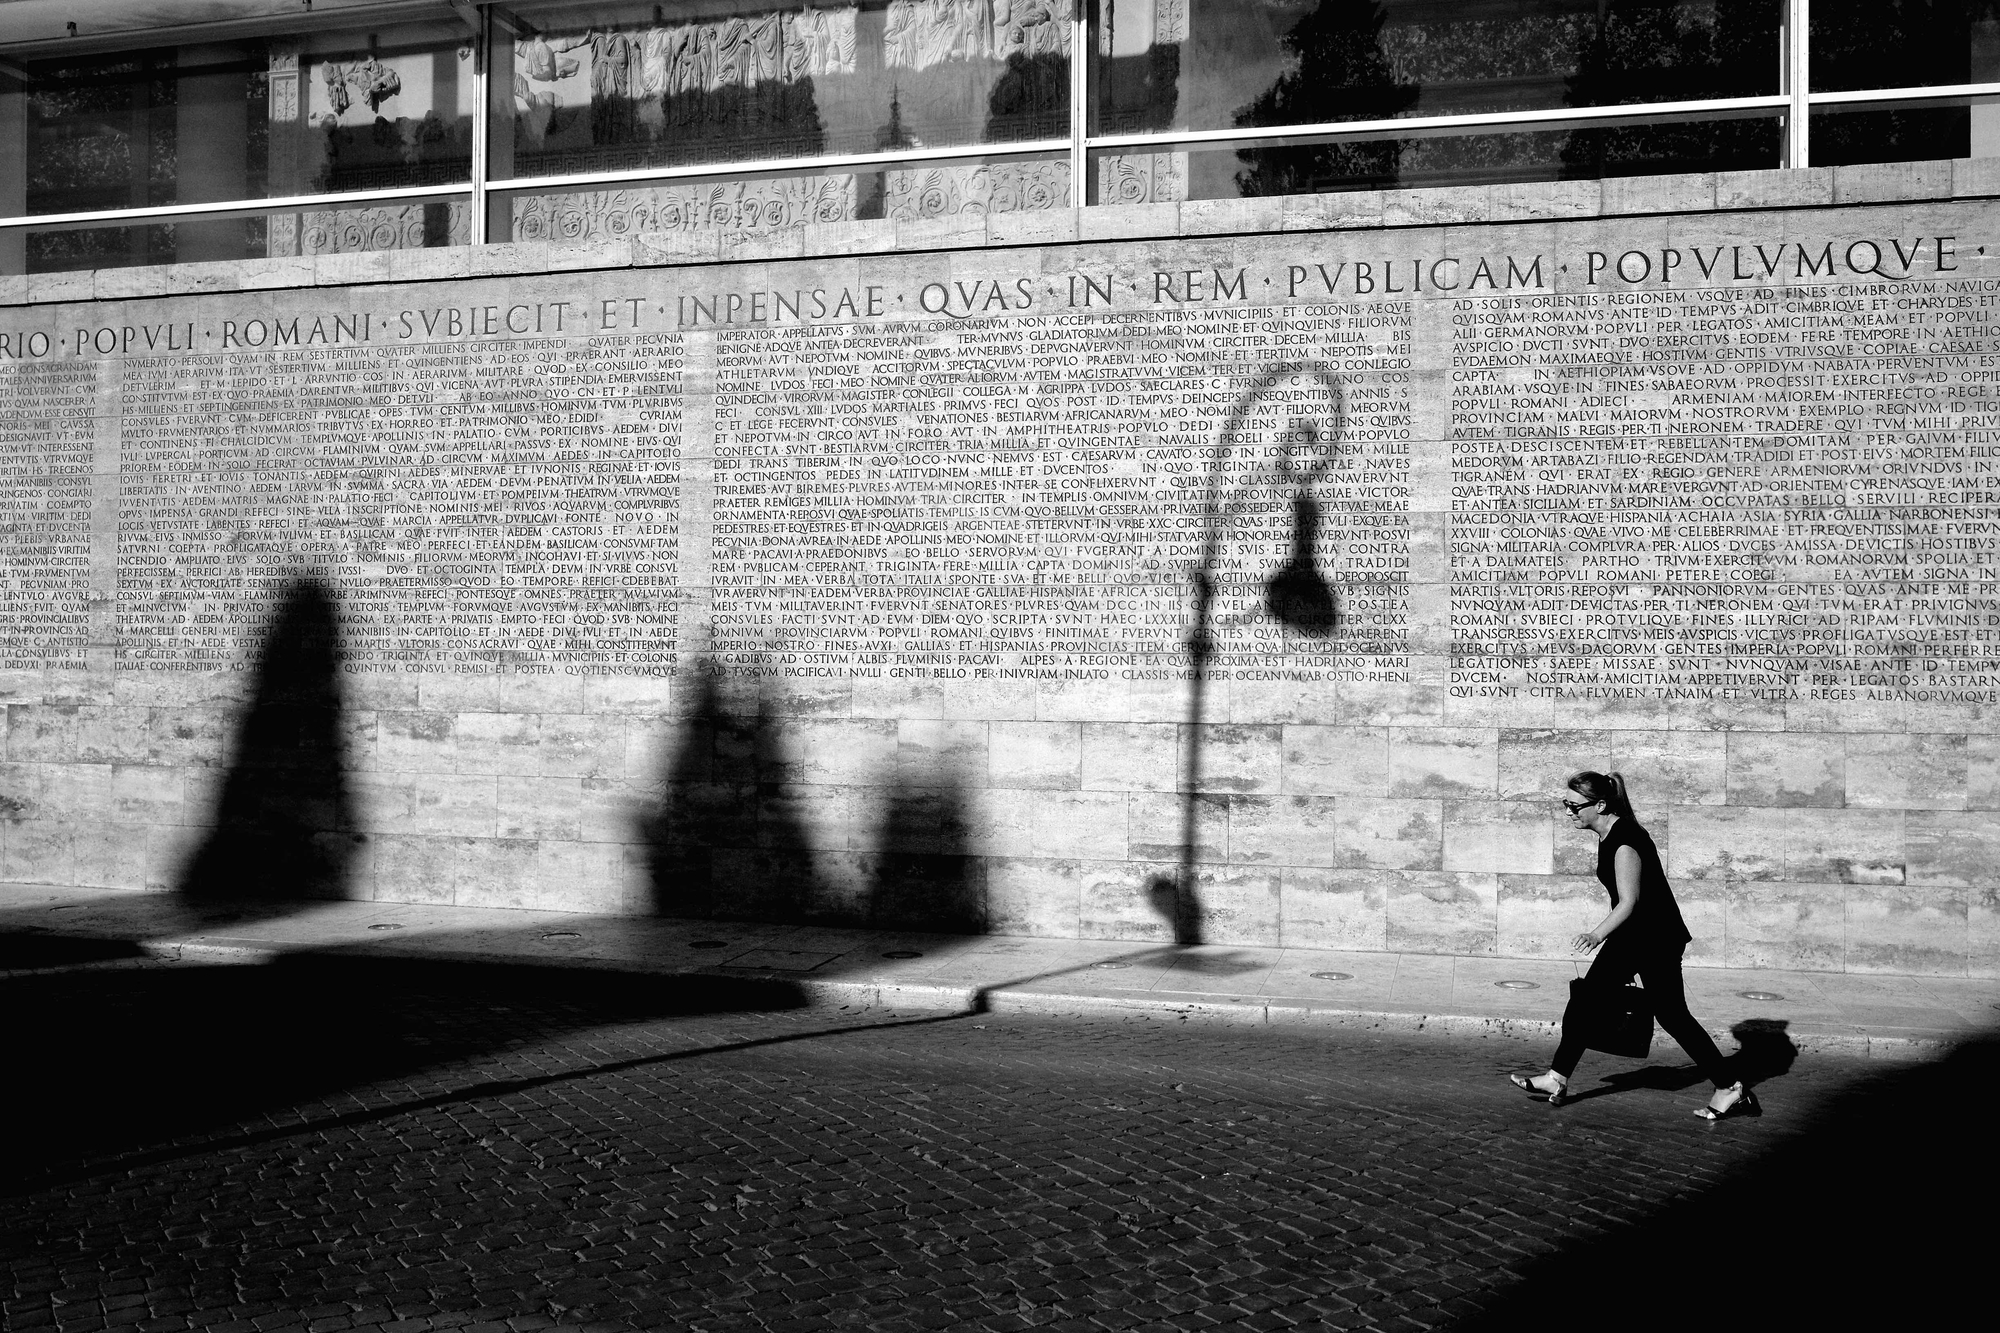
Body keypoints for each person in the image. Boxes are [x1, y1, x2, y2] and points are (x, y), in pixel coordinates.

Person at [1509, 771, 1757, 1120]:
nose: (1568, 812)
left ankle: (1730, 1087)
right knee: (1591, 1002)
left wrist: (1596, 935)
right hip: (1637, 936)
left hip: (1653, 939)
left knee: (1670, 1016)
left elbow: (1629, 902)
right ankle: (1557, 1077)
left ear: (1600, 804)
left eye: (1574, 806)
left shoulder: (1625, 841)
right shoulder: (1610, 832)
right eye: (1566, 804)